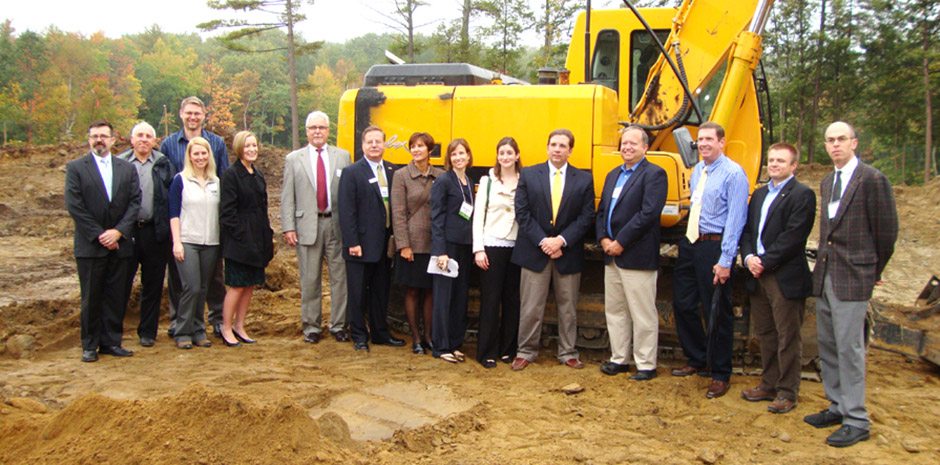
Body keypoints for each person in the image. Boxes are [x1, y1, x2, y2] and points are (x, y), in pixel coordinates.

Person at [803, 121, 898, 447]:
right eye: (830, 140)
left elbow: (886, 233)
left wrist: (871, 270)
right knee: (828, 346)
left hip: (853, 278)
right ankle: (837, 405)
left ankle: (857, 419)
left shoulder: (872, 180)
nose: (835, 145)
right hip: (827, 275)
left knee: (850, 349)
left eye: (841, 139)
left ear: (854, 142)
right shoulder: (829, 181)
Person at [671, 121, 749, 399]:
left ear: (722, 142)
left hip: (714, 247)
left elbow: (736, 219)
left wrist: (726, 259)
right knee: (683, 302)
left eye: (708, 140)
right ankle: (697, 358)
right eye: (699, 140)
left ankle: (719, 372)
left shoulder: (733, 174)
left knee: (716, 310)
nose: (702, 144)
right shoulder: (697, 171)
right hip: (692, 243)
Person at [739, 142, 816, 414]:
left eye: (780, 161)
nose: (773, 164)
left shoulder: (802, 195)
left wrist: (764, 262)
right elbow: (748, 231)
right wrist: (748, 258)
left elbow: (793, 237)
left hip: (783, 276)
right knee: (766, 334)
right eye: (771, 160)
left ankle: (787, 391)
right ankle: (769, 383)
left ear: (793, 166)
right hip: (757, 272)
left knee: (788, 336)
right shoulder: (759, 195)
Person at [511, 129, 595, 371]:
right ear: (547, 147)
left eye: (563, 145)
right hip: (534, 251)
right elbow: (522, 212)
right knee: (530, 306)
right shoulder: (528, 174)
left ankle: (568, 352)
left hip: (567, 252)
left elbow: (587, 215)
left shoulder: (584, 179)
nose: (557, 149)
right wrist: (544, 241)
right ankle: (525, 351)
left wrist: (561, 240)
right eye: (554, 144)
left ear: (570, 150)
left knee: (568, 307)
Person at [65, 120, 141, 362]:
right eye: (94, 136)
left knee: (116, 295)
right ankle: (90, 344)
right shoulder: (76, 168)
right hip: (91, 246)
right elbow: (75, 206)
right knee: (92, 296)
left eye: (103, 136)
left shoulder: (126, 169)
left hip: (120, 245)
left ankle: (111, 342)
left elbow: (134, 203)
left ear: (112, 139)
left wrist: (118, 232)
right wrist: (100, 234)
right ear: (89, 140)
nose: (99, 140)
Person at [595, 126, 667, 381]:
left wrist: (621, 241)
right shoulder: (613, 174)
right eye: (624, 143)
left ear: (645, 147)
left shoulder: (655, 174)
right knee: (615, 310)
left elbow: (648, 214)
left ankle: (646, 364)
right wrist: (603, 237)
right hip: (611, 254)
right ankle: (619, 359)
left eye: (633, 144)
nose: (627, 147)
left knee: (642, 312)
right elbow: (602, 210)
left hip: (636, 255)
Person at [160, 96, 229, 339]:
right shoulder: (169, 144)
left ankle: (216, 321)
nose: (192, 117)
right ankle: (179, 324)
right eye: (188, 113)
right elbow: (166, 187)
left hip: (210, 229)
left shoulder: (217, 144)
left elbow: (224, 182)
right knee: (182, 281)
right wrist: (175, 235)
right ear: (181, 114)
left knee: (213, 279)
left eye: (197, 113)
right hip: (183, 226)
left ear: (203, 115)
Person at [281, 111, 350, 344]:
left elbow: (349, 195)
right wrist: (288, 227)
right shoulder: (293, 159)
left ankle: (339, 325)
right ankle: (311, 326)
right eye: (313, 128)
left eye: (322, 127)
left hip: (336, 224)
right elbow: (287, 197)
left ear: (328, 130)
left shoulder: (343, 156)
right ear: (306, 131)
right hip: (307, 226)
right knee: (310, 279)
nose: (318, 132)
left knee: (340, 278)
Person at [338, 126, 406, 352]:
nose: (375, 145)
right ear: (363, 145)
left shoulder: (392, 170)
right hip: (361, 244)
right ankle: (358, 335)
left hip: (384, 245)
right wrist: (352, 242)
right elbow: (347, 212)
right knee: (358, 292)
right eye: (370, 142)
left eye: (378, 141)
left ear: (385, 144)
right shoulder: (352, 172)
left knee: (381, 291)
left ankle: (380, 333)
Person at [117, 121, 176, 348]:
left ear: (154, 140)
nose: (143, 139)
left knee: (152, 285)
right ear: (131, 140)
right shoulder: (120, 163)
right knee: (121, 283)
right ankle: (114, 331)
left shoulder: (163, 164)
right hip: (127, 232)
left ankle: (148, 333)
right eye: (139, 135)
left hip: (155, 232)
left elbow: (171, 198)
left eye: (148, 136)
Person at [219, 131, 274, 347]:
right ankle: (226, 326)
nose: (252, 149)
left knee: (250, 285)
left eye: (254, 145)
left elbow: (263, 207)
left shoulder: (258, 174)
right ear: (239, 148)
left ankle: (240, 325)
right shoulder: (231, 175)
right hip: (239, 241)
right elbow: (227, 213)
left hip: (258, 239)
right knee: (237, 285)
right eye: (247, 146)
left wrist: (266, 236)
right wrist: (243, 237)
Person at [391, 132, 444, 354]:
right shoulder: (401, 176)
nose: (416, 150)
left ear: (429, 150)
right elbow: (398, 212)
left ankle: (429, 336)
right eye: (412, 146)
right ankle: (416, 338)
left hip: (434, 243)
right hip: (411, 244)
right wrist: (403, 245)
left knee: (431, 291)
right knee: (412, 291)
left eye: (420, 146)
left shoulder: (441, 176)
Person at [472, 137, 522, 368]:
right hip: (491, 244)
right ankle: (486, 351)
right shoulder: (487, 180)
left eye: (509, 152)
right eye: (501, 152)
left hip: (516, 245)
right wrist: (478, 249)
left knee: (512, 300)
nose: (505, 156)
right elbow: (478, 216)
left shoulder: (525, 181)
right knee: (490, 300)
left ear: (517, 155)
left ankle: (507, 349)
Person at [168, 137, 221, 350]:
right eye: (196, 154)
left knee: (203, 287)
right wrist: (177, 242)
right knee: (190, 287)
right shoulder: (180, 180)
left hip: (211, 242)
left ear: (209, 155)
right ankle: (182, 331)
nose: (200, 157)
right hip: (188, 241)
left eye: (204, 153)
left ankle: (199, 330)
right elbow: (173, 214)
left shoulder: (216, 182)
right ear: (189, 156)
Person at [430, 139, 475, 363]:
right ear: (449, 158)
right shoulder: (443, 181)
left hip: (465, 247)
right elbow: (436, 218)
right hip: (447, 248)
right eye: (454, 154)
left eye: (462, 153)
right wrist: (440, 251)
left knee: (459, 297)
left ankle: (455, 343)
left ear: (468, 156)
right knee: (443, 297)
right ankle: (440, 346)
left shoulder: (468, 181)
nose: (458, 157)